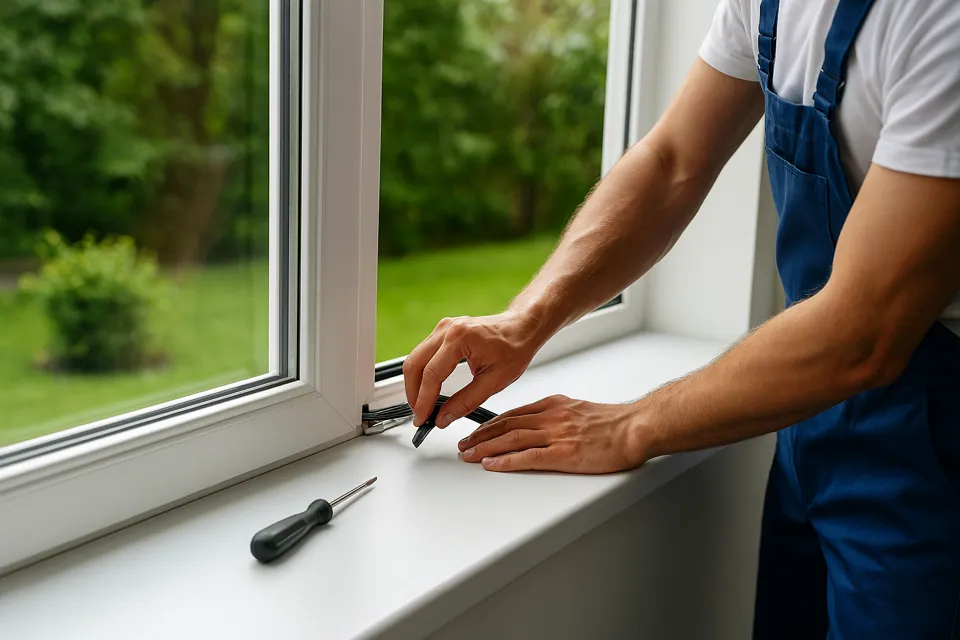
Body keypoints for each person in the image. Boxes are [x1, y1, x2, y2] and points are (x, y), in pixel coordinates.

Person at [403, 0, 960, 636]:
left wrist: (631, 426)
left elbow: (865, 333)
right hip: (808, 423)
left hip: (932, 455)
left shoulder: (940, 21)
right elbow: (672, 162)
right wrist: (526, 319)